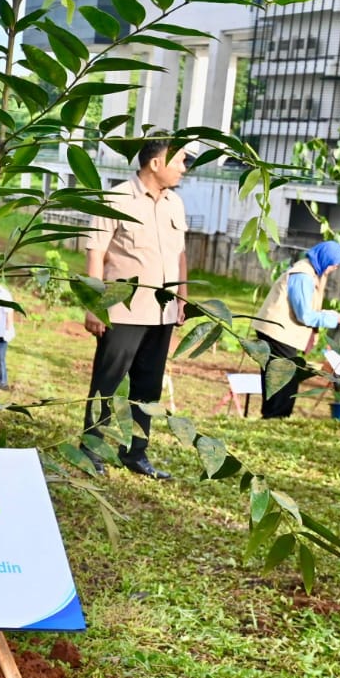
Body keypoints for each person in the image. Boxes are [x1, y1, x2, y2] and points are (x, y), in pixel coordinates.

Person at [81, 138, 191, 480]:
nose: (184, 168)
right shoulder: (115, 199)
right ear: (155, 164)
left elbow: (180, 255)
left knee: (148, 388)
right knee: (107, 382)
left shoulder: (176, 204)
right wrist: (95, 306)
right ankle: (90, 451)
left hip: (162, 312)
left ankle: (136, 454)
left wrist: (182, 296)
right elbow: (95, 253)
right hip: (122, 312)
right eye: (180, 161)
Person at [252, 240, 340, 419]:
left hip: (280, 331)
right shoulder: (303, 275)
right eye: (334, 263)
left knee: (279, 375)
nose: (335, 267)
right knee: (284, 376)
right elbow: (304, 315)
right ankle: (275, 416)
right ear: (324, 259)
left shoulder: (312, 272)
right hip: (277, 332)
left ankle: (275, 416)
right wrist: (335, 318)